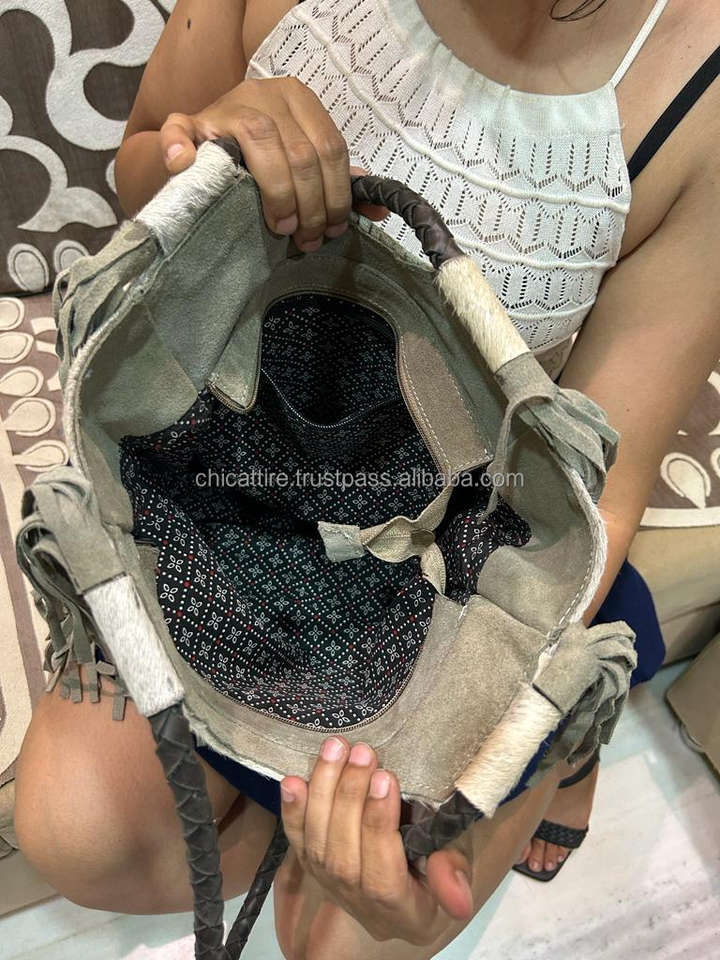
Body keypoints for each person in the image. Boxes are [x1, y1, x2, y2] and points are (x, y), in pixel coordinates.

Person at [14, 0, 720, 956]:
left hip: (453, 546)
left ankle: (554, 745)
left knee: (345, 944)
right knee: (76, 831)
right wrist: (201, 152)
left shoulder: (699, 97)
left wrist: (474, 759)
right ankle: (299, 827)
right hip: (230, 483)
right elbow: (139, 167)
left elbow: (591, 488)